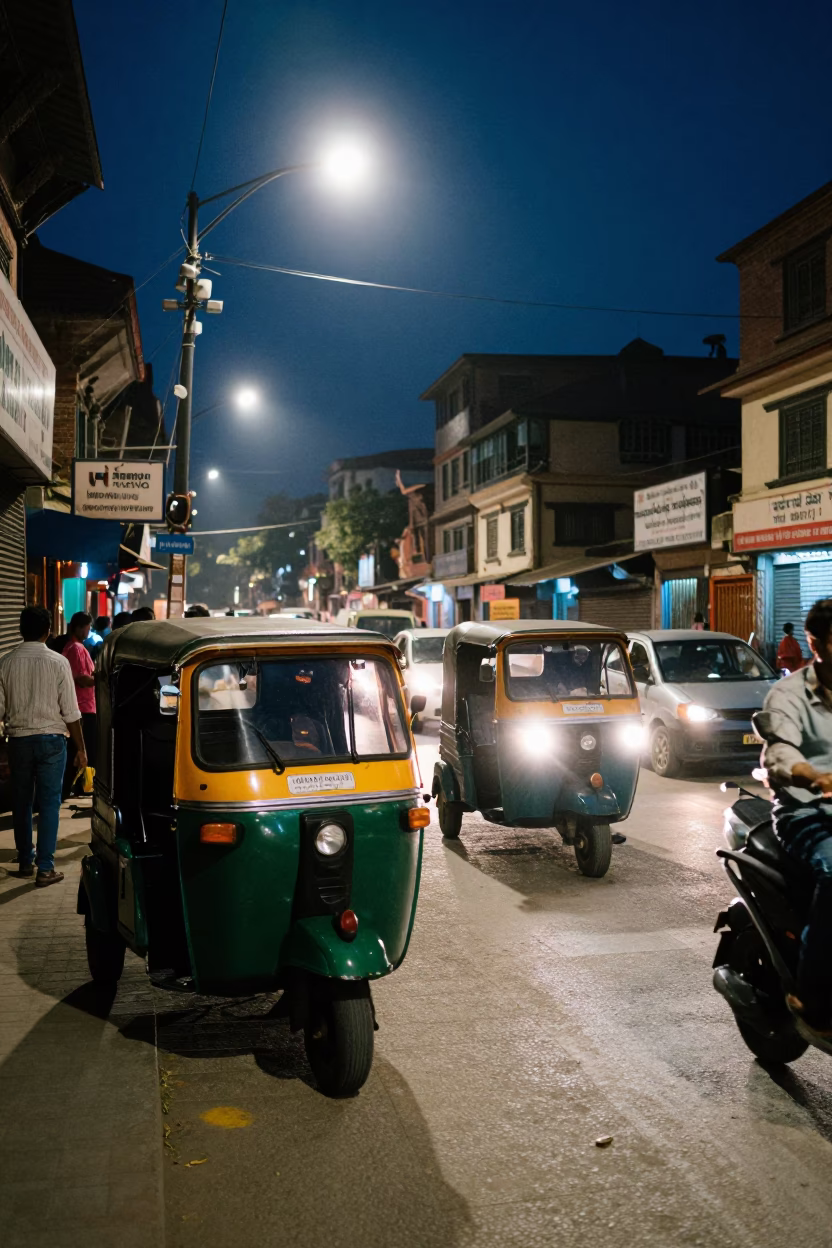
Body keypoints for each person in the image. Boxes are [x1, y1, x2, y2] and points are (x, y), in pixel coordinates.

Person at [754, 597, 832, 1034]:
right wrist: (814, 776)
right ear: (814, 643)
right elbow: (780, 751)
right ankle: (813, 992)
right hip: (807, 812)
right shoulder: (788, 694)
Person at [0, 606, 86, 886]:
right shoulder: (59, 662)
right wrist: (81, 748)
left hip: (19, 741)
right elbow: (71, 713)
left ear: (20, 630)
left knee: (21, 802)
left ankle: (26, 861)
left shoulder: (6, 662)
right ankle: (45, 868)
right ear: (48, 631)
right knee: (49, 804)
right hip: (52, 741)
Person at [62, 612, 97, 799]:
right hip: (83, 707)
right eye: (87, 627)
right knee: (81, 750)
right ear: (79, 627)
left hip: (78, 706)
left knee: (76, 750)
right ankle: (73, 788)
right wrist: (100, 678)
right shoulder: (76, 649)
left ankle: (72, 787)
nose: (88, 630)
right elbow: (82, 679)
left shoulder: (70, 647)